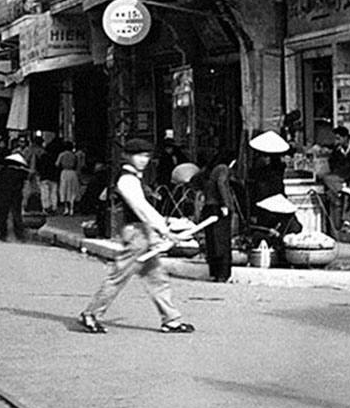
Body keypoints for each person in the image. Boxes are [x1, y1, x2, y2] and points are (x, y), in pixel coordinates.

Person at [78, 139, 195, 335]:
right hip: (136, 234)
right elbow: (141, 207)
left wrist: (162, 229)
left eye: (147, 156)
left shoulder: (135, 177)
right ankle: (91, 314)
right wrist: (164, 229)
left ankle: (171, 319)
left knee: (157, 278)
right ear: (127, 156)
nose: (143, 160)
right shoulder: (127, 179)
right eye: (139, 156)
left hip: (143, 232)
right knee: (119, 277)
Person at [200, 159, 236, 283]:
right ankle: (222, 273)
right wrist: (225, 204)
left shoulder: (209, 172)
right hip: (218, 208)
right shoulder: (223, 168)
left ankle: (215, 272)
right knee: (222, 241)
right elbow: (221, 184)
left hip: (209, 207)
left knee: (212, 241)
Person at [0, 152, 29, 242]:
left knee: (2, 215)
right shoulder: (21, 173)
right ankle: (19, 235)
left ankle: (3, 235)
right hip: (16, 196)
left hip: (2, 195)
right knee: (16, 215)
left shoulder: (1, 171)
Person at [56, 142, 81, 216]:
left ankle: (66, 208)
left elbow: (57, 164)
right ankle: (72, 209)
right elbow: (78, 165)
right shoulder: (74, 155)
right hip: (73, 173)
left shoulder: (62, 154)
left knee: (64, 190)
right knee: (72, 190)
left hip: (64, 173)